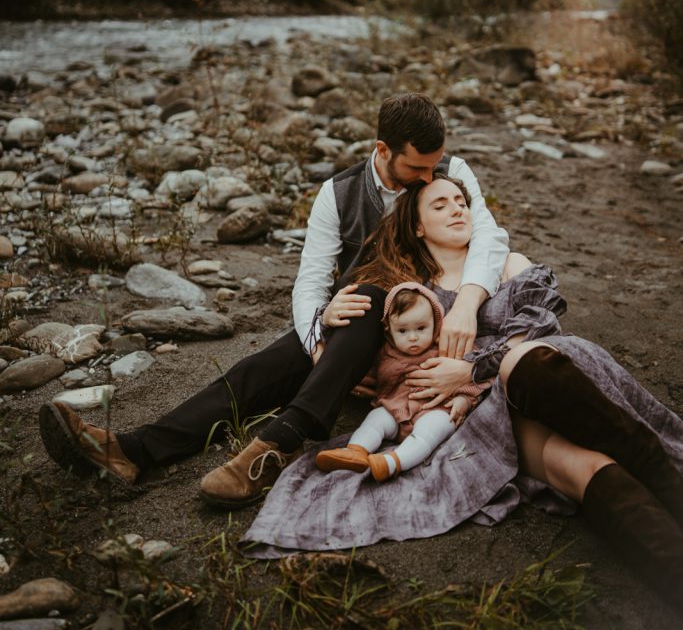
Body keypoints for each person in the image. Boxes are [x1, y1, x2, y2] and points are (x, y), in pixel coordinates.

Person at [38, 94, 509, 508]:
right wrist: (318, 334)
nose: (430, 178)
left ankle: (275, 444)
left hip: (419, 330)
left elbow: (490, 238)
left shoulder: (451, 173)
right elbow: (310, 280)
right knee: (259, 370)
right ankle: (134, 451)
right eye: (417, 168)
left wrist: (467, 304)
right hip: (354, 331)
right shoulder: (338, 194)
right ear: (383, 150)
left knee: (368, 297)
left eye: (435, 166)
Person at [243, 174, 683, 612]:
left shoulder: (507, 263)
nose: (457, 209)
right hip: (484, 415)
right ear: (416, 226)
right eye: (440, 205)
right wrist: (336, 336)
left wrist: (471, 367)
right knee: (578, 469)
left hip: (542, 375)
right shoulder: (407, 290)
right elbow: (371, 345)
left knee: (521, 364)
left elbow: (543, 326)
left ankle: (668, 483)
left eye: (462, 201)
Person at [315, 279, 491, 481]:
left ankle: (393, 462)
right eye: (403, 331)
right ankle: (356, 450)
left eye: (421, 328)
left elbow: (476, 375)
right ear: (389, 330)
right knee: (376, 419)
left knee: (433, 428)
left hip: (436, 409)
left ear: (436, 323)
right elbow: (361, 371)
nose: (413, 337)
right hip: (396, 407)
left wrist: (464, 400)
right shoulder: (384, 353)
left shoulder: (448, 349)